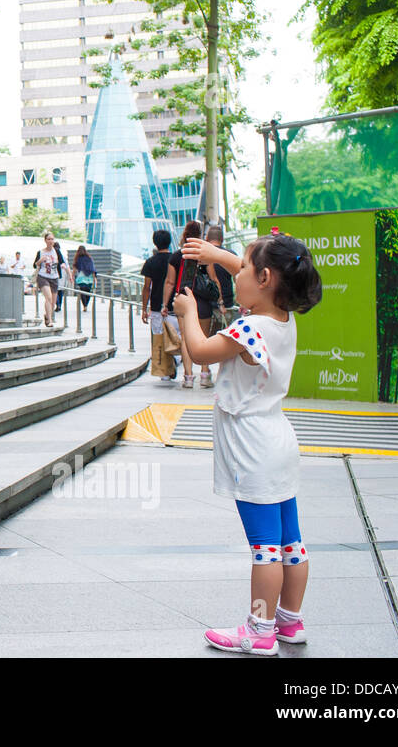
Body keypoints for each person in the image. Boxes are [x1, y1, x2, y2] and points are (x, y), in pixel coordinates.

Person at [174, 228, 323, 655]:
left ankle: (259, 630)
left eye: (245, 266)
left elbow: (200, 351)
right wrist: (215, 254)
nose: (234, 273)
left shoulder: (250, 329)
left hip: (253, 449)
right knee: (290, 542)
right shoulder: (281, 318)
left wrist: (187, 311)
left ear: (264, 280)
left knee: (265, 550)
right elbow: (248, 271)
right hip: (278, 442)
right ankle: (289, 623)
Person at [163, 220, 216, 388]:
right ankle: (205, 374)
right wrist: (220, 298)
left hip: (184, 300)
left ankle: (188, 376)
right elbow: (213, 278)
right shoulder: (204, 255)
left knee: (186, 339)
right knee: (204, 338)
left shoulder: (176, 256)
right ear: (200, 235)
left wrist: (165, 304)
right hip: (203, 302)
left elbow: (170, 283)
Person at [140, 228, 176, 380]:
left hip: (156, 306)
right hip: (175, 306)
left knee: (159, 340)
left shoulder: (150, 262)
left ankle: (165, 372)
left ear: (155, 243)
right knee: (177, 338)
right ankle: (177, 360)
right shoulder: (175, 259)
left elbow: (147, 288)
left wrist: (144, 309)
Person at [32, 231, 69, 327]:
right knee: (48, 297)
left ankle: (47, 315)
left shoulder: (56, 251)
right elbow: (35, 264)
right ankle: (49, 320)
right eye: (48, 239)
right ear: (45, 240)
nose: (50, 241)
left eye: (52, 239)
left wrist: (65, 267)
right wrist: (41, 260)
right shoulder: (40, 252)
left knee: (53, 301)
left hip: (54, 278)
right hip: (43, 276)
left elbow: (62, 262)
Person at [206, 223, 237, 331]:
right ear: (222, 239)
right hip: (227, 306)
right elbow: (237, 279)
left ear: (207, 238)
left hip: (206, 307)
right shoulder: (231, 255)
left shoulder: (202, 256)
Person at [73, 245, 95, 310]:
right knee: (88, 292)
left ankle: (84, 305)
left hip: (81, 277)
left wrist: (72, 276)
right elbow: (93, 268)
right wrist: (94, 278)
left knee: (82, 292)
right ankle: (86, 305)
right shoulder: (89, 258)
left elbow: (74, 269)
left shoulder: (77, 258)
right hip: (89, 277)